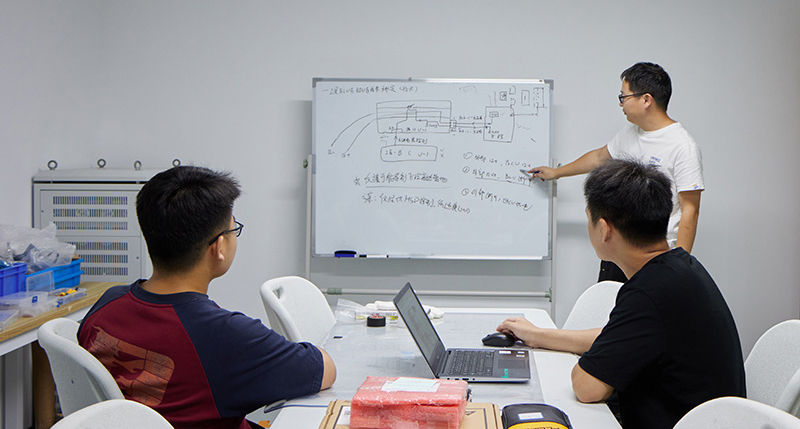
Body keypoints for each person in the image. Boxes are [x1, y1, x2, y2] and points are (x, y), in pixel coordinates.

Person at [78, 166, 336, 429]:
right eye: (234, 229)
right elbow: (324, 369)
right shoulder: (225, 335)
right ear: (219, 246)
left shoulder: (107, 304)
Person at [498, 159, 744, 429]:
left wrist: (583, 365)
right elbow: (616, 337)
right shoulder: (681, 268)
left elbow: (586, 387)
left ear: (604, 229)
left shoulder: (649, 293)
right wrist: (539, 336)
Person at [529, 62, 703, 282]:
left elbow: (690, 211)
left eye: (624, 97)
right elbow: (599, 157)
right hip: (619, 250)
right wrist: (557, 173)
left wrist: (681, 267)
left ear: (646, 100)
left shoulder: (683, 146)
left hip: (655, 256)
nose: (621, 104)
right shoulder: (631, 132)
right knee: (611, 302)